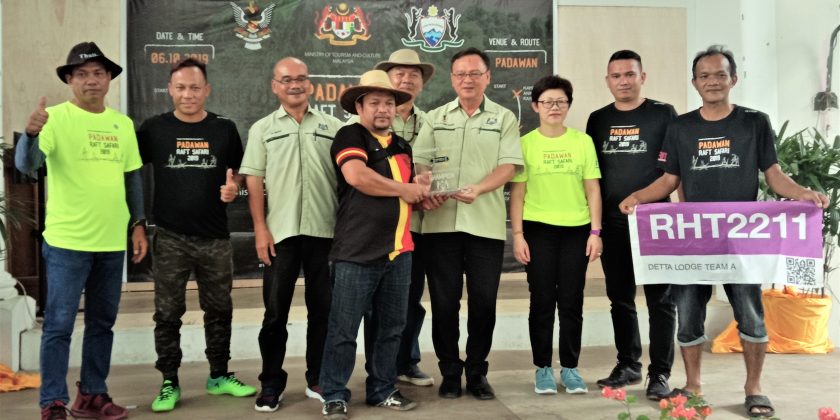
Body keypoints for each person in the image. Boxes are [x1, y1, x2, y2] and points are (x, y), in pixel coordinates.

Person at [618, 45, 829, 418]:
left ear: (733, 79)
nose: (712, 81)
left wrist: (803, 194)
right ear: (695, 82)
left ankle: (754, 388)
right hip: (693, 239)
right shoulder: (680, 127)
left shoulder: (754, 122)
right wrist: (637, 197)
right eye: (704, 76)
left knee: (750, 315)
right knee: (688, 315)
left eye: (720, 74)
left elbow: (774, 175)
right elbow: (669, 180)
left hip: (743, 240)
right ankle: (693, 386)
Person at [15, 41, 147, 420]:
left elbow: (132, 179)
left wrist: (138, 225)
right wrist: (30, 135)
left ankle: (91, 394)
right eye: (83, 74)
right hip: (67, 243)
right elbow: (26, 166)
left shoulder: (122, 124)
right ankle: (52, 402)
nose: (92, 80)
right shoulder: (55, 118)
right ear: (70, 80)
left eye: (98, 73)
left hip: (111, 242)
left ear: (108, 79)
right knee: (58, 325)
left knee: (102, 324)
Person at [136, 58, 255, 413]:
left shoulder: (224, 128)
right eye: (181, 87)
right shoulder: (153, 128)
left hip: (215, 237)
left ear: (207, 90)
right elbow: (129, 172)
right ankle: (168, 382)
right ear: (170, 90)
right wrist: (136, 222)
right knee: (167, 313)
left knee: (219, 310)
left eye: (194, 87)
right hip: (170, 237)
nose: (188, 94)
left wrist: (234, 188)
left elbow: (240, 172)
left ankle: (218, 375)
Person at [413, 47, 523, 400]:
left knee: (483, 304)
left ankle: (476, 372)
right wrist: (426, 187)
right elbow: (420, 162)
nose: (468, 80)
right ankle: (449, 371)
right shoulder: (435, 117)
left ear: (488, 77)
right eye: (461, 74)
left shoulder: (504, 118)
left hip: (485, 226)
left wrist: (480, 188)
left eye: (475, 73)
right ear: (452, 79)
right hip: (440, 226)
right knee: (444, 305)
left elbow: (509, 166)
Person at [319, 70, 429, 420]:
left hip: (400, 251)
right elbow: (357, 176)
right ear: (360, 106)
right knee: (344, 329)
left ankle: (382, 389)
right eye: (375, 103)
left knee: (391, 328)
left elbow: (406, 196)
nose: (383, 109)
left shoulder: (402, 146)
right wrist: (406, 189)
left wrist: (424, 194)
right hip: (357, 252)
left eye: (389, 103)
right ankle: (334, 394)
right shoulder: (350, 135)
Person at [239, 57, 343, 412]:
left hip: (325, 233)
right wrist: (260, 228)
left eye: (300, 78)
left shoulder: (333, 127)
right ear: (275, 86)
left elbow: (346, 178)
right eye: (286, 79)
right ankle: (271, 382)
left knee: (323, 311)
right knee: (274, 314)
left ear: (310, 84)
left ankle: (318, 377)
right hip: (279, 235)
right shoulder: (262, 129)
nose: (294, 84)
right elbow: (254, 180)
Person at [585, 50, 677, 400]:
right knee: (620, 298)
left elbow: (676, 169)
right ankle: (628, 365)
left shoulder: (663, 114)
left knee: (661, 301)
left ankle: (660, 373)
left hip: (655, 222)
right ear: (607, 80)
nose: (623, 81)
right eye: (616, 76)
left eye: (629, 74)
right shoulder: (598, 119)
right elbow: (592, 176)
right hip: (612, 223)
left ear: (642, 77)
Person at [510, 75, 602, 395]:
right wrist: (518, 235)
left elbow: (593, 190)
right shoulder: (525, 144)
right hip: (538, 230)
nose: (554, 107)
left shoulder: (582, 142)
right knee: (542, 300)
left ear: (568, 106)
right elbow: (517, 195)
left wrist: (595, 232)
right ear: (535, 106)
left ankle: (571, 368)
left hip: (577, 230)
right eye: (547, 102)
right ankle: (543, 368)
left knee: (572, 300)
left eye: (560, 101)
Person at [361, 48, 436, 387]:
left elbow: (432, 170)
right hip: (375, 228)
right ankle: (378, 371)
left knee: (409, 299)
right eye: (399, 74)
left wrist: (430, 190)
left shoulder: (432, 122)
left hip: (416, 226)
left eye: (413, 75)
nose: (406, 79)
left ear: (421, 83)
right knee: (374, 304)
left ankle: (406, 362)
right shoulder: (360, 126)